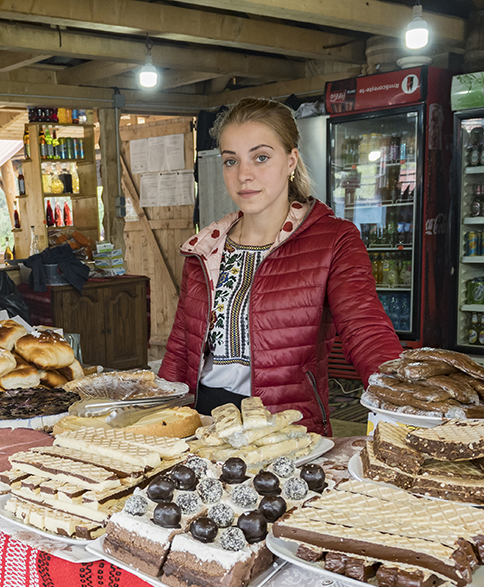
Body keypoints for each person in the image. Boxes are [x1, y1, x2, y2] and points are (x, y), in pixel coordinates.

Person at [159, 98, 403, 436]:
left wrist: (404, 400)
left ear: (291, 161)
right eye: (231, 161)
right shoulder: (205, 248)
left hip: (286, 428)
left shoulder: (333, 240)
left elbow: (366, 329)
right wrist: (156, 420)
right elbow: (180, 348)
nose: (244, 175)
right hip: (203, 426)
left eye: (261, 157)